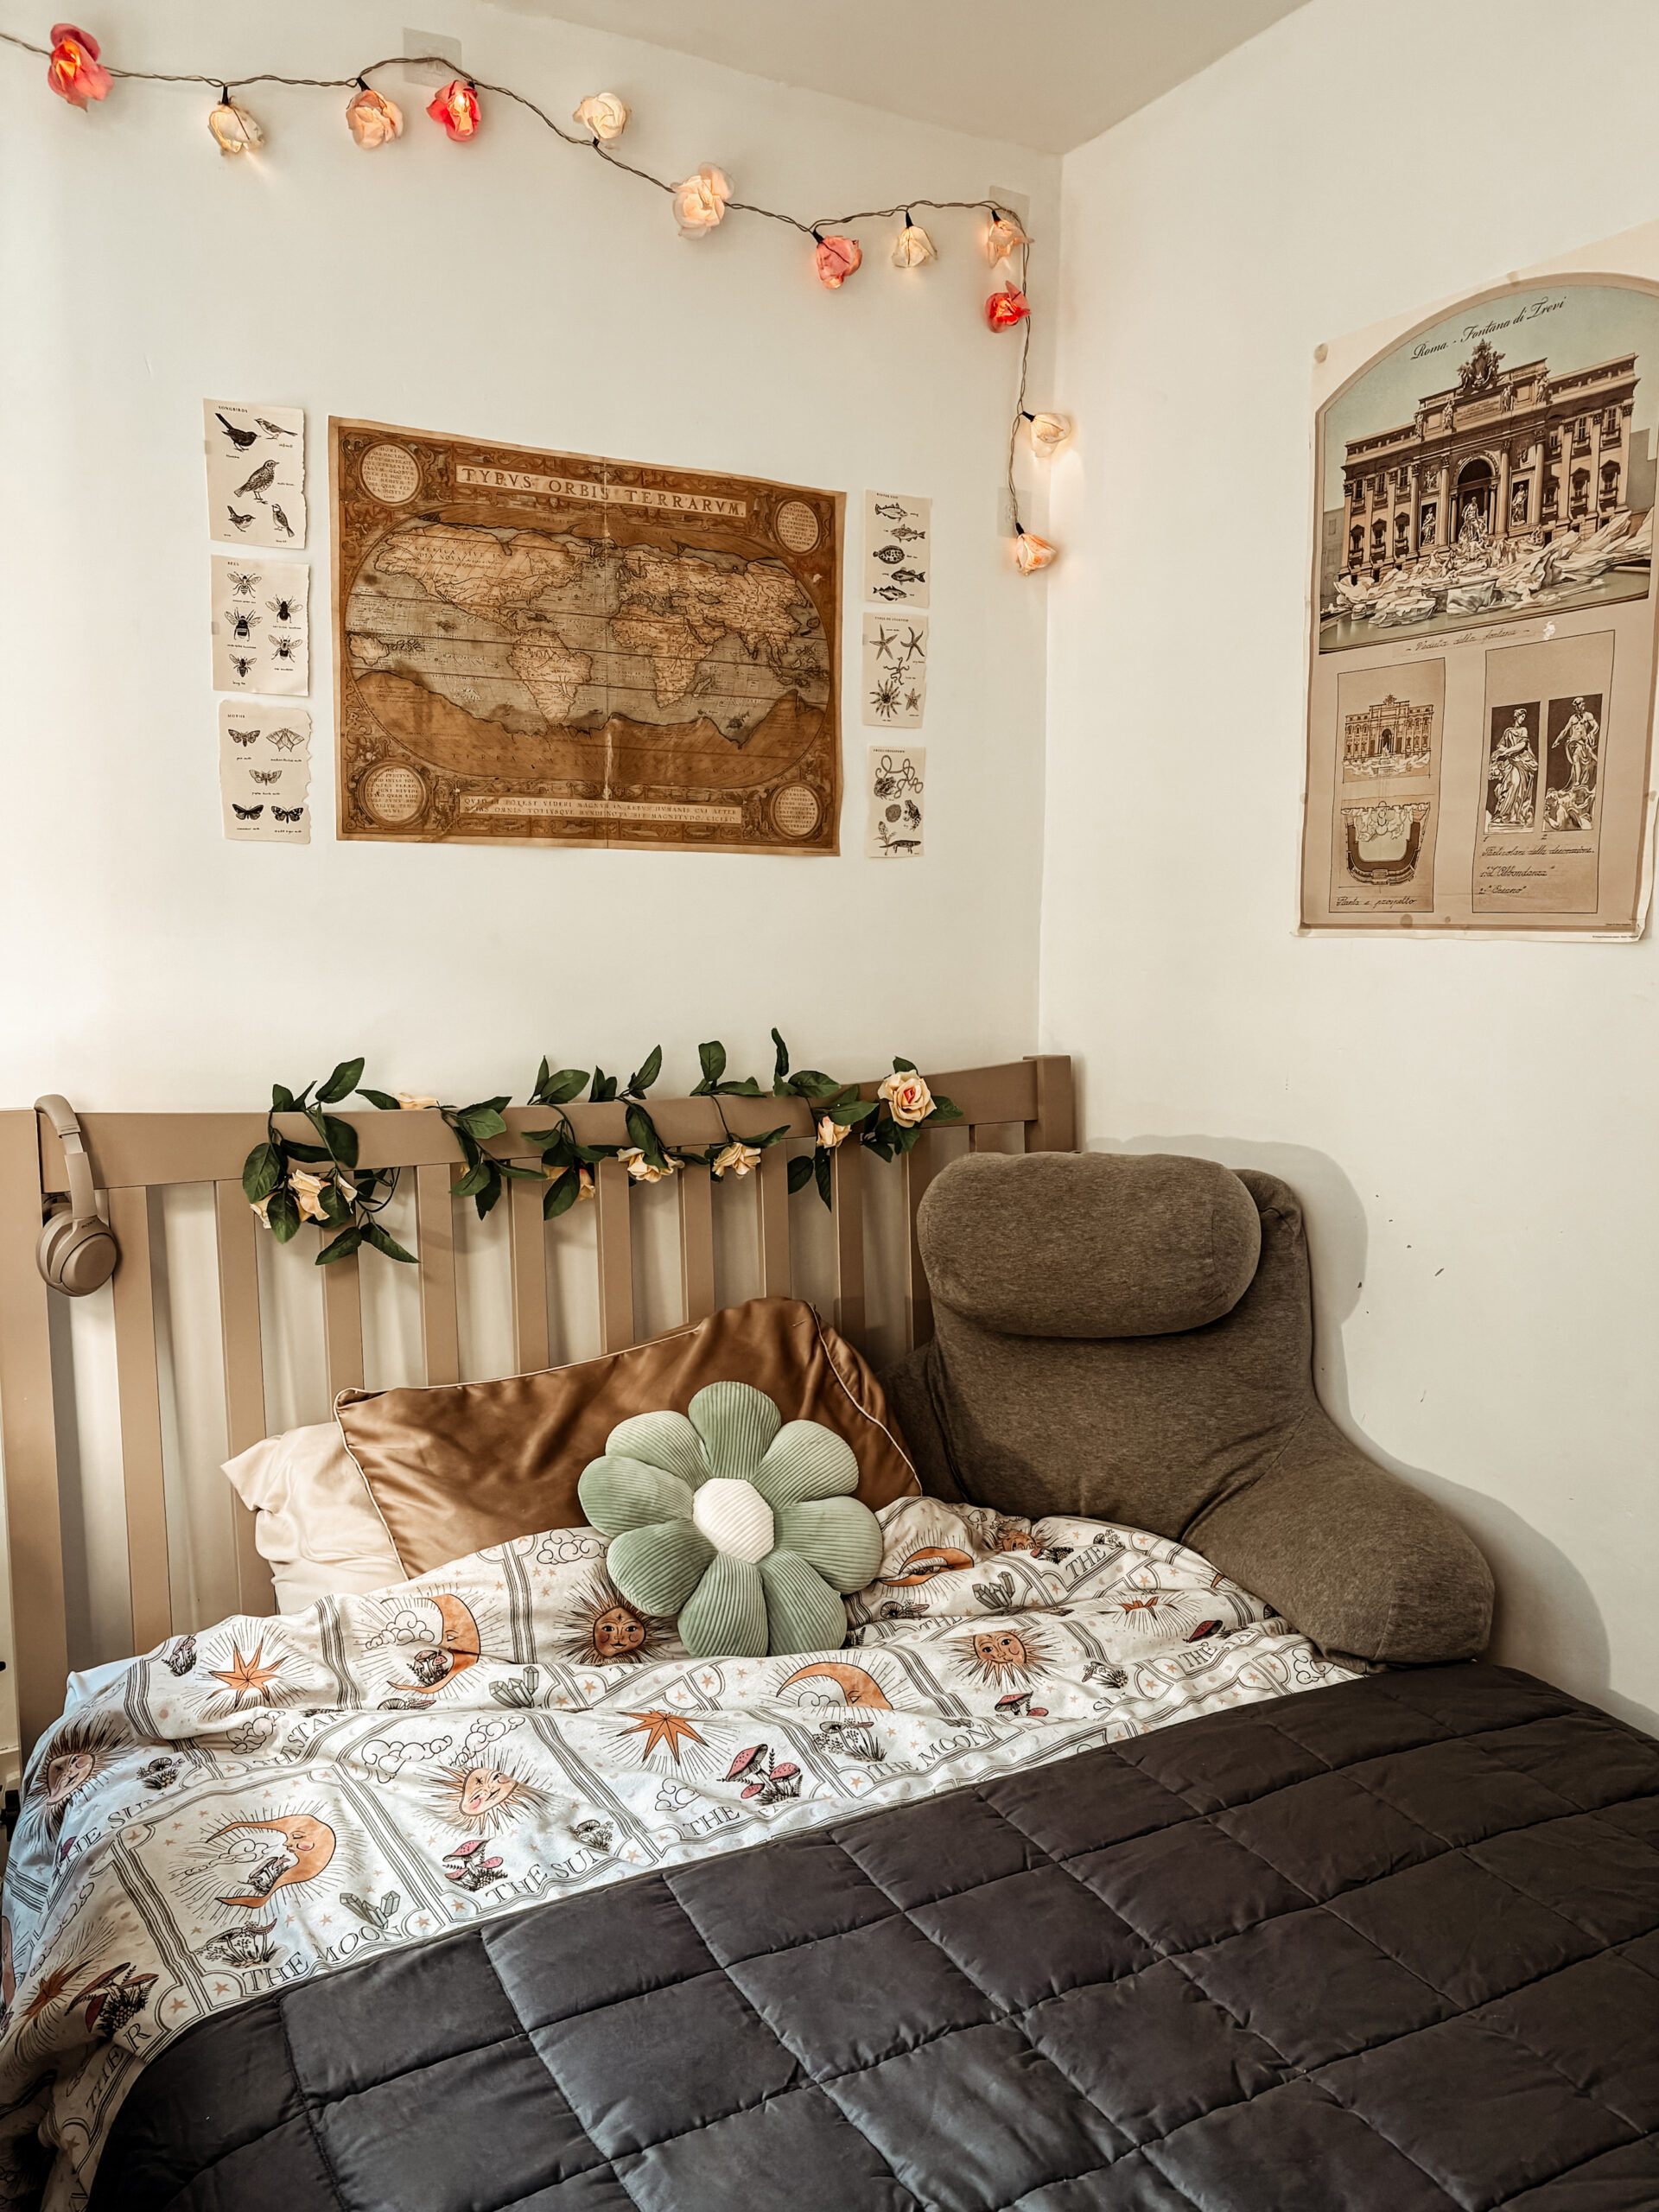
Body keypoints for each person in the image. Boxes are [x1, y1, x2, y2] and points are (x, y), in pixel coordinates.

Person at [1487, 709, 1537, 829]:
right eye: (1522, 716)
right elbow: (1501, 745)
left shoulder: (1523, 730)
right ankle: (1503, 815)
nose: (1523, 719)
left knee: (1518, 786)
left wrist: (1507, 751)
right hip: (1509, 763)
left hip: (1521, 762)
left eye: (1524, 717)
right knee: (1509, 785)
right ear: (1516, 716)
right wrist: (1501, 752)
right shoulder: (1508, 731)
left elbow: (1522, 745)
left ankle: (1514, 816)